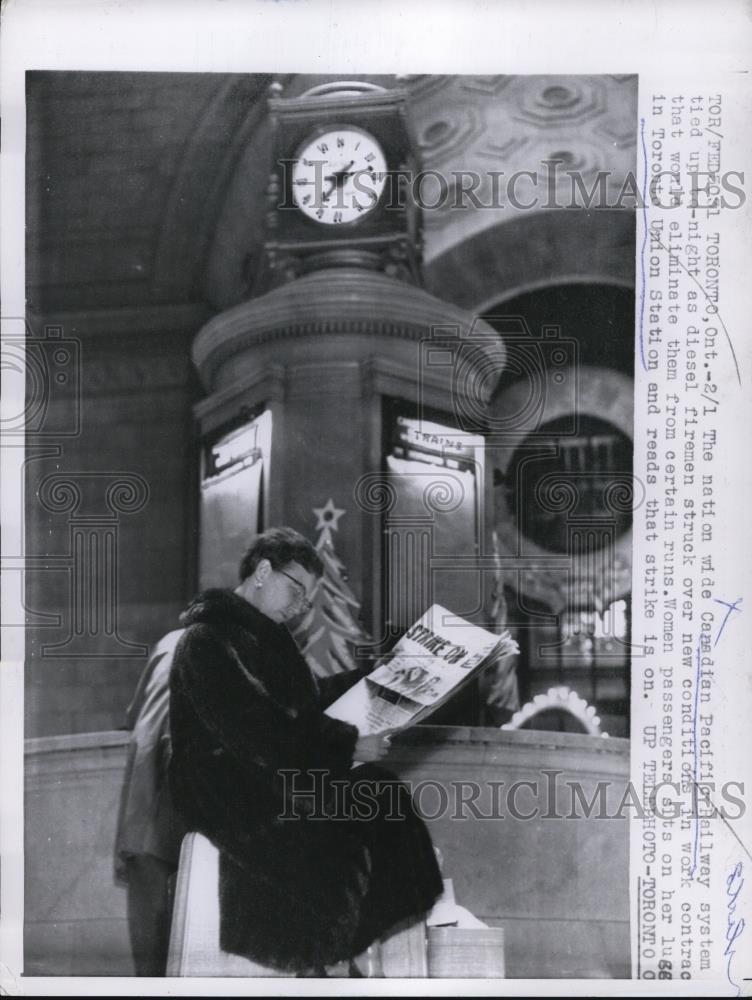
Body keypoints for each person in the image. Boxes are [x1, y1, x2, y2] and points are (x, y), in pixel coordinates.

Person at [168, 526, 443, 975]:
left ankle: (345, 947)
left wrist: (384, 675)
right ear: (262, 571)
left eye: (308, 597)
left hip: (273, 777)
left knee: (379, 794)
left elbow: (309, 706)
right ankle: (324, 957)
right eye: (297, 589)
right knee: (338, 819)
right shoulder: (206, 640)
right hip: (230, 790)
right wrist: (349, 744)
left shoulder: (268, 639)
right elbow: (256, 733)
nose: (302, 605)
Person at [113, 629, 188, 976]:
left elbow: (132, 715)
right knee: (168, 960)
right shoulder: (209, 654)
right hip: (167, 822)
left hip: (142, 821)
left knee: (150, 962)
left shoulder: (169, 642)